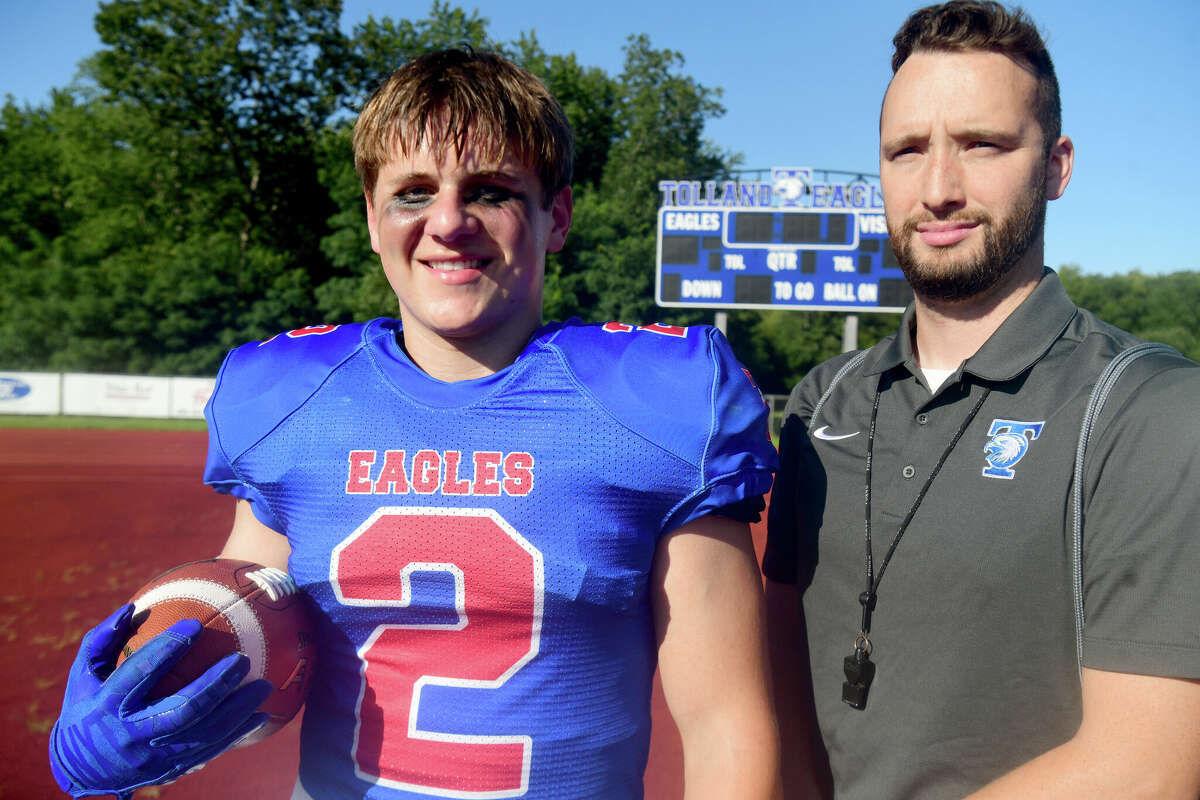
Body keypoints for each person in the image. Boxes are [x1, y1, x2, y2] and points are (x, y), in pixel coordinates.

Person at [50, 48, 782, 799]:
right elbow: (245, 650)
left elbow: (726, 722)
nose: (448, 222)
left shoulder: (654, 406)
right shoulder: (294, 400)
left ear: (555, 216)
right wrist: (118, 759)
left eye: (491, 191)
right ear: (372, 218)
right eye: (413, 193)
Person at [763, 2, 1200, 798]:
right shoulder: (821, 403)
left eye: (983, 145)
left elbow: (1151, 766)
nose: (938, 188)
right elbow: (782, 687)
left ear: (1057, 166)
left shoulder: (1154, 412)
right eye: (906, 152)